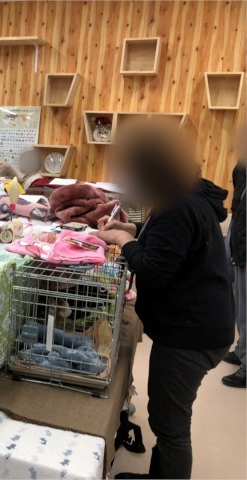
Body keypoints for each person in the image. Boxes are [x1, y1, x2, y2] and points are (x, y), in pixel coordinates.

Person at [92, 119, 234, 480]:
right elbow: (170, 243)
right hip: (199, 324)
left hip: (191, 334)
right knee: (166, 416)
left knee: (171, 425)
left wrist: (125, 242)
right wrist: (134, 230)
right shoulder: (186, 197)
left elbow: (154, 271)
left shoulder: (179, 207)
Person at [222, 127, 246, 388]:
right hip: (239, 242)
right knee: (240, 305)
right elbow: (237, 208)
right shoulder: (240, 170)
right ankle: (242, 350)